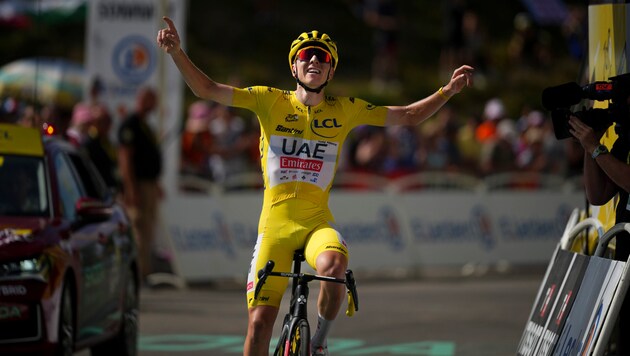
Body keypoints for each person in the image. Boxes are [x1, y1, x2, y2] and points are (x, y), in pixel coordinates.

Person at [157, 17, 473, 356]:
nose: (313, 61)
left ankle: (318, 343)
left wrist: (447, 91)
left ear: (330, 72)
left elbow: (408, 116)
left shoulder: (345, 110)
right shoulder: (268, 100)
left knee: (336, 268)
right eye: (306, 54)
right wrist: (177, 53)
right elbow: (206, 90)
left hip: (315, 224)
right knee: (260, 324)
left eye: (322, 58)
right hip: (274, 230)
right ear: (293, 65)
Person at [568, 116, 630, 354]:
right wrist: (589, 146)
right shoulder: (626, 137)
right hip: (625, 250)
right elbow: (598, 194)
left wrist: (595, 147)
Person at [117, 87, 162, 283]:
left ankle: (144, 271)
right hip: (138, 185)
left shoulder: (146, 125)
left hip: (149, 183)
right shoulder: (131, 124)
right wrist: (131, 188)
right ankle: (136, 274)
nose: (154, 105)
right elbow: (125, 158)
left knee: (147, 229)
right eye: (151, 100)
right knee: (138, 228)